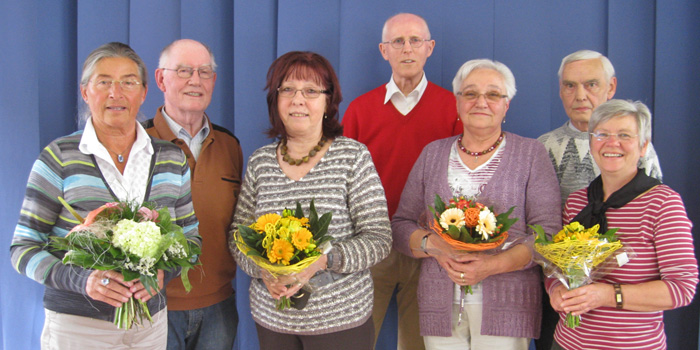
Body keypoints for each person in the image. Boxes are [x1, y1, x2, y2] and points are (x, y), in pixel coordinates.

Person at [9, 42, 200, 349]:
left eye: (128, 82)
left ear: (143, 92)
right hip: (78, 327)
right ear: (86, 92)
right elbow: (23, 248)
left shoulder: (171, 159)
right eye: (104, 82)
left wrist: (164, 272)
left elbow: (191, 240)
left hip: (149, 326)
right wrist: (83, 281)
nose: (116, 92)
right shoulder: (58, 158)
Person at [391, 59, 561, 350]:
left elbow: (547, 234)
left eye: (493, 94)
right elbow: (400, 225)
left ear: (506, 105)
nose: (481, 102)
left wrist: (492, 265)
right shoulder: (433, 154)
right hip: (438, 303)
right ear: (458, 102)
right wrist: (436, 246)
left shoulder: (531, 154)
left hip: (508, 304)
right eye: (470, 93)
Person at [230, 51, 392, 350]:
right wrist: (262, 269)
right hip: (273, 322)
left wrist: (322, 260)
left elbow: (379, 239)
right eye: (287, 89)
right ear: (275, 100)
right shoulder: (260, 163)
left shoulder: (352, 157)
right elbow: (239, 236)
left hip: (341, 322)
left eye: (311, 91)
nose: (298, 99)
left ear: (328, 102)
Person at [342, 13, 461, 349]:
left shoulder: (453, 107)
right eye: (398, 41)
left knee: (419, 343)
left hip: (430, 247)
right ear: (384, 50)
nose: (407, 49)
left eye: (415, 41)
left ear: (429, 48)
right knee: (355, 339)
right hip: (372, 244)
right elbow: (343, 182)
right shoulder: (360, 110)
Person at [536, 49, 664, 350]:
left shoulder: (638, 146)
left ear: (611, 87)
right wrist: (556, 283)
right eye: (570, 85)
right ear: (560, 91)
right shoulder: (543, 146)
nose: (580, 95)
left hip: (625, 303)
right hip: (561, 293)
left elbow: (654, 215)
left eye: (591, 84)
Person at [547, 99, 698, 350]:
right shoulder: (577, 202)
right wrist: (555, 290)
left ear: (643, 147)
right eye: (602, 134)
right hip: (567, 343)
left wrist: (607, 295)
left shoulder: (662, 203)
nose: (611, 143)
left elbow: (682, 288)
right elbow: (555, 268)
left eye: (624, 135)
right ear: (592, 142)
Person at [143, 39, 242, 350]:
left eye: (205, 72)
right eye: (184, 71)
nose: (195, 81)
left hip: (219, 307)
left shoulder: (230, 145)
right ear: (161, 79)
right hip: (152, 306)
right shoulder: (138, 144)